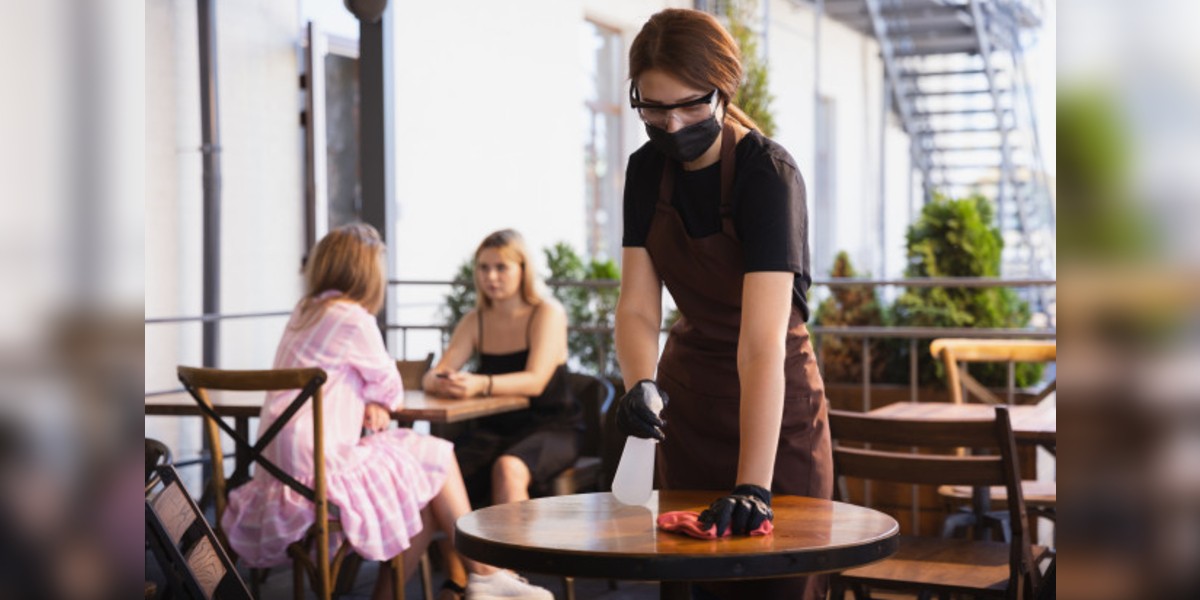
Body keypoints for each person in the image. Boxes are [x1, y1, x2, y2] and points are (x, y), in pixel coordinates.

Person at [613, 9, 834, 600]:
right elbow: (637, 306)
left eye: (690, 105)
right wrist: (640, 382)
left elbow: (761, 343)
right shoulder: (644, 170)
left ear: (722, 90)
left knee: (776, 583)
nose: (672, 123)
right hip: (690, 407)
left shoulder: (767, 174)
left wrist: (754, 487)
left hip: (774, 412)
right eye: (654, 108)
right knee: (689, 584)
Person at [221, 224, 551, 600]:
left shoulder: (305, 311)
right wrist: (377, 398)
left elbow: (363, 383)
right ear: (367, 271)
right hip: (320, 472)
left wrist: (372, 398)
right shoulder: (353, 318)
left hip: (277, 472)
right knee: (435, 456)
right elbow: (391, 386)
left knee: (422, 483)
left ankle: (465, 582)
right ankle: (486, 576)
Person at [423, 229, 582, 509]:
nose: (490, 277)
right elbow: (433, 375)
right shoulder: (475, 320)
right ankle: (461, 556)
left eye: (501, 268)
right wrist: (444, 381)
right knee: (435, 472)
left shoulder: (547, 312)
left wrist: (479, 384)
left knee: (508, 468)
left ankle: (512, 554)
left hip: (552, 426)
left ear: (523, 269)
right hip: (493, 431)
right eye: (483, 267)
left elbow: (535, 382)